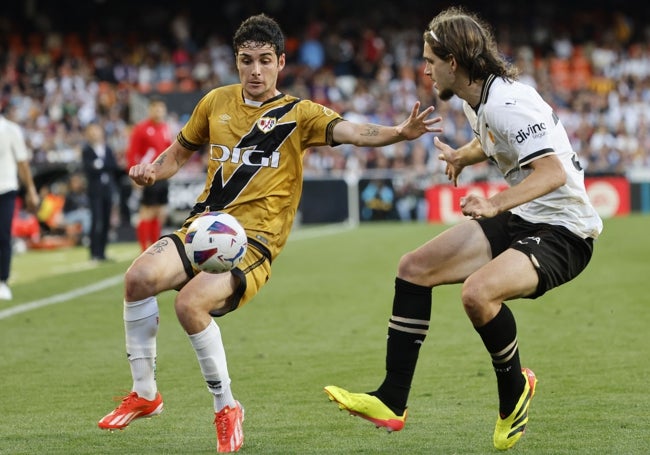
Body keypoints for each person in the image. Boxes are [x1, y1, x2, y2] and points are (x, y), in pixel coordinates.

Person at [97, 13, 440, 454]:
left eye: (263, 60)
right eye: (245, 61)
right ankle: (146, 394)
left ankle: (226, 407)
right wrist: (150, 172)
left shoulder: (300, 114)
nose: (254, 70)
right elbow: (177, 155)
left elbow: (353, 132)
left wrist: (399, 132)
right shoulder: (215, 102)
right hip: (202, 227)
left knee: (189, 304)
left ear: (280, 62)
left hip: (253, 243)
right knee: (137, 279)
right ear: (236, 62)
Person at [324, 6, 603, 451]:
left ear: (453, 62)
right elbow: (492, 140)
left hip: (565, 230)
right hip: (526, 217)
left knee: (477, 293)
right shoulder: (483, 99)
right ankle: (392, 400)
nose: (425, 68)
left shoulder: (506, 102)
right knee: (414, 267)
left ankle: (515, 393)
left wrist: (493, 203)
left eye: (430, 60)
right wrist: (462, 156)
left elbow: (551, 172)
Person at [0, 105, 39, 300]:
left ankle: (2, 280)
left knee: (3, 235)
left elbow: (22, 162)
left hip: (5, 189)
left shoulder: (10, 129)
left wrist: (31, 190)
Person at [126, 97, 173, 251]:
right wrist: (133, 173)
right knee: (147, 211)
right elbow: (133, 152)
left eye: (161, 109)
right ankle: (143, 248)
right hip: (147, 174)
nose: (159, 112)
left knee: (160, 212)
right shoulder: (141, 128)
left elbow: (169, 151)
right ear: (150, 110)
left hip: (162, 175)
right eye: (156, 109)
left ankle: (153, 247)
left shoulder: (166, 128)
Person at [81, 123, 119, 261]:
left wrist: (99, 165)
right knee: (96, 220)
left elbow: (113, 165)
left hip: (107, 190)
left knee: (106, 221)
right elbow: (88, 169)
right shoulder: (87, 150)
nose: (94, 134)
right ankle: (94, 252)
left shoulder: (107, 149)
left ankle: (102, 252)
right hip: (95, 191)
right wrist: (102, 166)